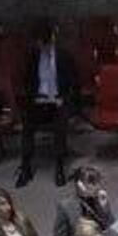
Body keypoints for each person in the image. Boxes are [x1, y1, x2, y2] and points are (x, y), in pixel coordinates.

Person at [16, 20, 77, 189]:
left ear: (52, 39)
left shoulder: (64, 56)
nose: (43, 48)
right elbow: (28, 83)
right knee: (27, 123)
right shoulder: (33, 57)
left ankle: (59, 165)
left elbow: (74, 83)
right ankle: (25, 166)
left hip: (58, 100)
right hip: (39, 100)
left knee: (60, 123)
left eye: (45, 44)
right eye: (39, 45)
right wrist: (36, 98)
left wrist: (63, 100)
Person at [52, 164, 114, 236]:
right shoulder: (66, 207)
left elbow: (112, 227)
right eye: (93, 184)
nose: (98, 187)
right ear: (80, 185)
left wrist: (104, 209)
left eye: (97, 183)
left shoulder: (100, 198)